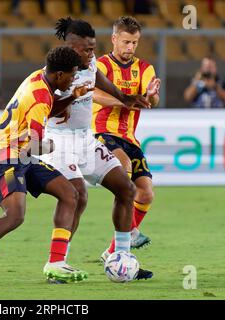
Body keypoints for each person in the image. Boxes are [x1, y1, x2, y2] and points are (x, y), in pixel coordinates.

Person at [0, 46, 91, 287]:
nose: (74, 79)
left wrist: (72, 97)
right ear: (60, 74)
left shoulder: (39, 77)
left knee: (69, 194)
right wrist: (49, 146)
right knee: (14, 216)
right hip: (2, 157)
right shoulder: (40, 97)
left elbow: (48, 109)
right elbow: (34, 144)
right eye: (72, 75)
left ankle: (55, 263)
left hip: (19, 154)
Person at [43, 17, 153, 280]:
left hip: (85, 139)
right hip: (59, 141)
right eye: (86, 49)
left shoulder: (89, 63)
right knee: (77, 195)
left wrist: (125, 97)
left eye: (93, 48)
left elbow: (98, 77)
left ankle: (122, 257)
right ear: (70, 47)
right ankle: (57, 264)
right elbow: (49, 109)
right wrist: (74, 95)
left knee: (126, 189)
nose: (92, 54)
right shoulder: (55, 72)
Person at [92, 16, 161, 259]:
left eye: (134, 43)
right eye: (125, 42)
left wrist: (151, 95)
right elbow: (95, 95)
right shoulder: (100, 66)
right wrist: (125, 100)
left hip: (130, 138)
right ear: (114, 39)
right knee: (123, 168)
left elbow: (151, 101)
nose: (130, 48)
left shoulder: (144, 68)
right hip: (102, 132)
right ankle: (130, 231)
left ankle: (112, 251)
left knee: (146, 193)